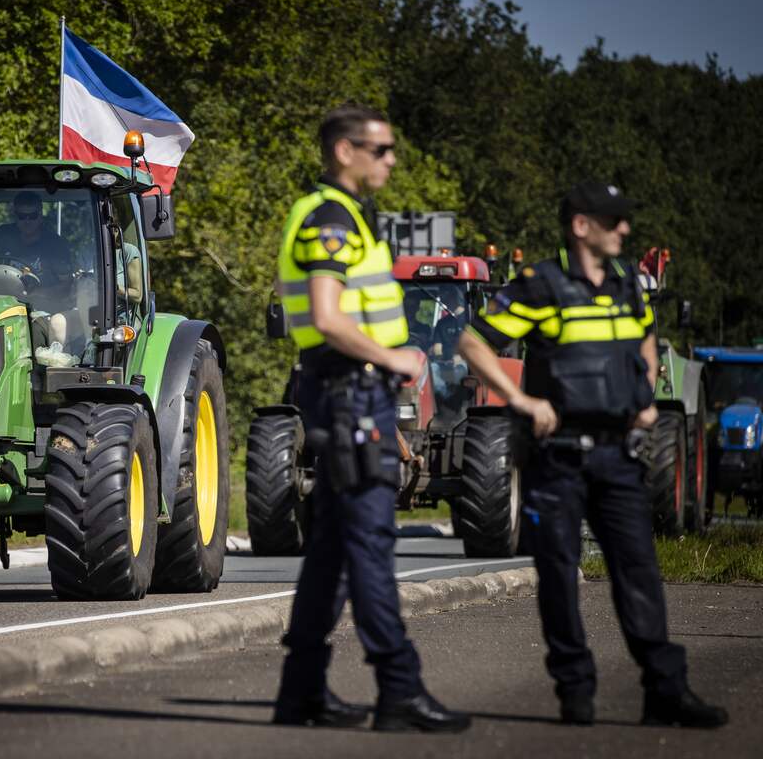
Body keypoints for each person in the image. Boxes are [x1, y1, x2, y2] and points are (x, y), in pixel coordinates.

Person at [458, 180, 728, 729]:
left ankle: (666, 692)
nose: (624, 229)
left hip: (617, 458)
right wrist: (520, 400)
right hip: (556, 457)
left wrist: (645, 397)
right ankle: (575, 691)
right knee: (558, 577)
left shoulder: (629, 283)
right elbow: (473, 342)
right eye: (613, 220)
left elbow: (646, 339)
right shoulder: (540, 283)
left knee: (640, 574)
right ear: (582, 226)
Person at [272, 104, 471, 734]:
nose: (390, 160)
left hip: (353, 396)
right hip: (354, 397)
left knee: (332, 552)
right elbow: (329, 319)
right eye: (379, 150)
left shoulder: (351, 216)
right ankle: (400, 689)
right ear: (343, 152)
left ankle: (300, 693)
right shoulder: (331, 219)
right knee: (370, 549)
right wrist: (396, 357)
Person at [0, 191, 77, 348]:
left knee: (31, 334)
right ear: (14, 216)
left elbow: (67, 287)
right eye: (22, 216)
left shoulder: (55, 245)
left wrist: (36, 293)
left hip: (39, 313)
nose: (27, 221)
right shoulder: (2, 236)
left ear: (40, 215)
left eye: (33, 216)